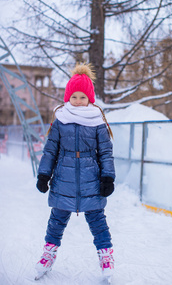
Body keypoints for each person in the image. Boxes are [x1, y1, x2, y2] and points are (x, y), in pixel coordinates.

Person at [35, 63, 115, 280]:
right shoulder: (61, 119)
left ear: (89, 98)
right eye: (74, 97)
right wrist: (44, 174)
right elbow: (51, 150)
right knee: (56, 221)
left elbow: (106, 152)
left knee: (98, 221)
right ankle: (48, 254)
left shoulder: (97, 121)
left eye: (82, 97)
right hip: (63, 179)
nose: (78, 101)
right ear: (67, 97)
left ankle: (106, 256)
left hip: (92, 180)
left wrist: (108, 176)